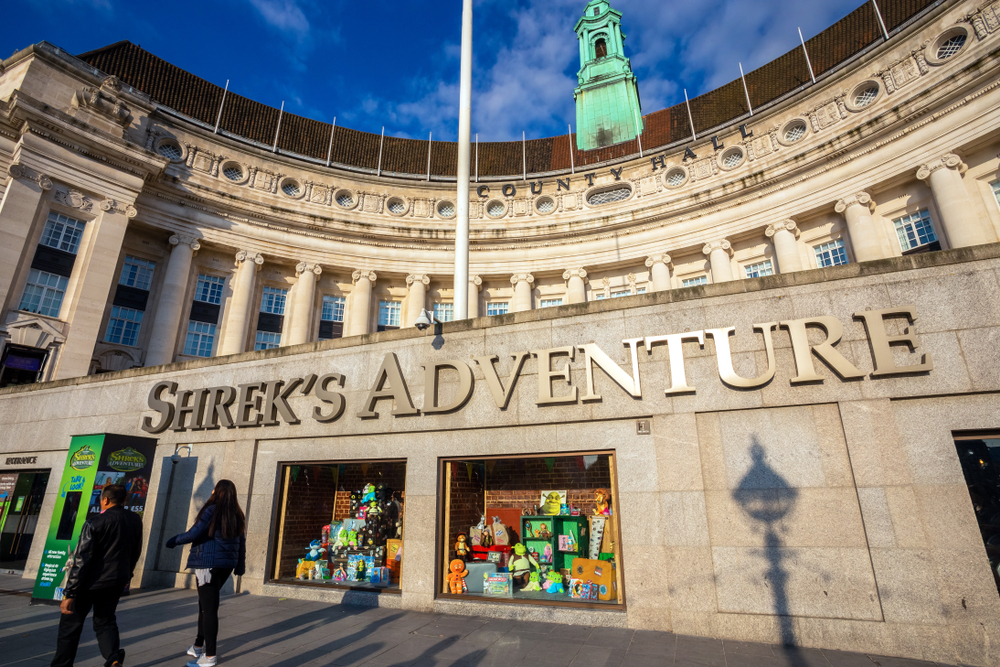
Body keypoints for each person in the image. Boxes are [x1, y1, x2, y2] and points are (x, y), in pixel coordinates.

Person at [52, 483, 143, 667]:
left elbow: (81, 560)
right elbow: (136, 551)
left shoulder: (94, 522)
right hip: (115, 581)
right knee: (106, 622)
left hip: (88, 584)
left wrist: (70, 593)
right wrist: (127, 575)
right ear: (124, 500)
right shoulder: (134, 520)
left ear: (105, 500)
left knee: (70, 627)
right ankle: (113, 658)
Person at [166, 480, 246, 667]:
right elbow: (242, 543)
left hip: (207, 565)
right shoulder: (237, 514)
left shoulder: (212, 510)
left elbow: (193, 534)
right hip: (226, 565)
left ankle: (210, 656)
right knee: (205, 605)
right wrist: (240, 565)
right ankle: (198, 645)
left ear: (216, 491)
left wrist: (174, 540)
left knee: (209, 609)